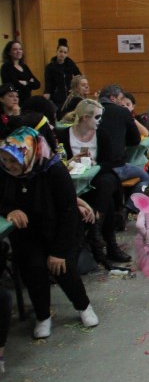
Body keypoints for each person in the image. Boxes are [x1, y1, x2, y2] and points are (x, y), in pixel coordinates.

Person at [0, 126, 100, 339]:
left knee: (63, 269)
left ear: (29, 153)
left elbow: (68, 211)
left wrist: (59, 251)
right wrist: (10, 210)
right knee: (33, 270)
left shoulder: (54, 170)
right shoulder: (5, 172)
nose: (8, 165)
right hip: (26, 234)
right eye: (5, 160)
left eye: (13, 160)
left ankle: (83, 306)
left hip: (58, 230)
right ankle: (43, 315)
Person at [58, 98, 132, 264]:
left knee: (105, 185)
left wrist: (95, 164)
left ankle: (96, 233)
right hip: (73, 181)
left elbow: (111, 162)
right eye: (97, 117)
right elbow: (58, 163)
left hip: (97, 177)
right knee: (107, 200)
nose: (100, 121)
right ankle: (106, 242)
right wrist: (70, 161)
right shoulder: (63, 135)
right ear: (85, 117)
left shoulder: (101, 134)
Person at [97, 84, 147, 213]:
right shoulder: (122, 112)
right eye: (120, 99)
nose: (122, 103)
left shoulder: (90, 111)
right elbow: (135, 140)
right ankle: (128, 208)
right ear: (113, 98)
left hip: (94, 166)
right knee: (145, 177)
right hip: (116, 166)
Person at [43, 38, 81, 110]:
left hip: (70, 96)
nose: (62, 54)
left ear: (67, 54)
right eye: (60, 51)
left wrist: (75, 88)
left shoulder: (70, 64)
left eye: (65, 52)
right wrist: (47, 93)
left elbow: (79, 75)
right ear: (57, 51)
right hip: (56, 98)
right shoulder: (50, 67)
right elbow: (48, 83)